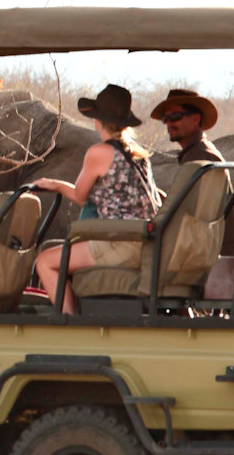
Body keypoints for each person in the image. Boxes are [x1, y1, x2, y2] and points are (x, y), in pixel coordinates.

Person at [31, 84, 162, 313]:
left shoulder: (99, 153)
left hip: (117, 243)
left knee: (45, 262)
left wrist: (54, 185)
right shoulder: (139, 156)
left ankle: (69, 324)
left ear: (97, 120)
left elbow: (80, 196)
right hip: (143, 244)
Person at [151, 88, 234, 257]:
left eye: (175, 117)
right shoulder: (198, 152)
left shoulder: (199, 157)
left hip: (211, 249)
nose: (169, 124)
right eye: (166, 119)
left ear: (195, 119)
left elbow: (192, 216)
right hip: (214, 243)